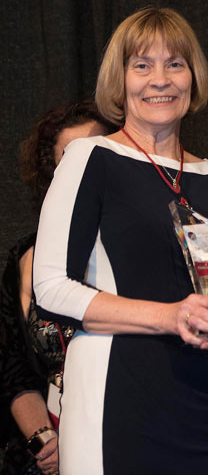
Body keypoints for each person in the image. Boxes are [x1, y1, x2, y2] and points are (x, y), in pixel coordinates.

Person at [32, 7, 208, 474]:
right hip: (120, 397)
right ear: (120, 80)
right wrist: (169, 317)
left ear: (194, 77)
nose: (160, 79)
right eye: (142, 65)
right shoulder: (89, 158)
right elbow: (51, 288)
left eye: (175, 64)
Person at [0, 100, 112, 475]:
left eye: (97, 153)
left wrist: (82, 439)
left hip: (126, 434)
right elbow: (11, 364)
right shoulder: (26, 258)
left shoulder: (139, 244)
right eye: (71, 158)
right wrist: (45, 439)